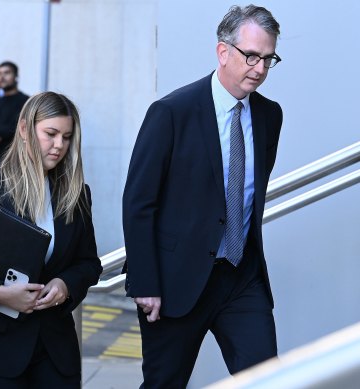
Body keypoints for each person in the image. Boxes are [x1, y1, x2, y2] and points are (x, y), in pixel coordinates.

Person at [122, 5, 283, 387]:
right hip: (176, 281)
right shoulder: (171, 112)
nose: (259, 69)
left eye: (268, 59)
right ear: (223, 51)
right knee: (164, 383)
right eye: (251, 56)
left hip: (242, 279)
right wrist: (145, 282)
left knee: (270, 379)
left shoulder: (269, 116)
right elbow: (139, 202)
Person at [0, 91, 102, 388]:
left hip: (56, 351)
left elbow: (88, 263)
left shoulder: (75, 193)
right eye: (50, 134)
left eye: (67, 137)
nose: (59, 145)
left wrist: (65, 284)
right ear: (23, 129)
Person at [0, 61, 29, 159]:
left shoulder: (26, 101)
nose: (2, 77)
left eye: (7, 73)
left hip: (17, 156)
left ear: (16, 77)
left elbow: (21, 126)